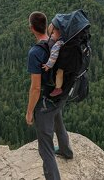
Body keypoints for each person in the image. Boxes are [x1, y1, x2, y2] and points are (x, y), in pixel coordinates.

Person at [26, 11, 73, 180]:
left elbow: (36, 88)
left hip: (45, 102)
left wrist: (30, 111)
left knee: (45, 149)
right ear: (46, 26)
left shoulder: (35, 53)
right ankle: (66, 150)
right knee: (58, 118)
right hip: (60, 95)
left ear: (31, 28)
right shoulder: (57, 43)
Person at [42, 23, 64, 97]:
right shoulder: (66, 38)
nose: (51, 36)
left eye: (52, 33)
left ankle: (58, 88)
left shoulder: (57, 44)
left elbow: (53, 55)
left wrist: (48, 65)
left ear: (59, 32)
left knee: (59, 73)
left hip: (64, 64)